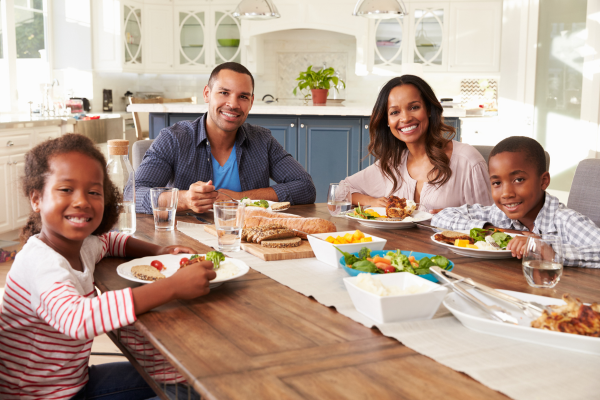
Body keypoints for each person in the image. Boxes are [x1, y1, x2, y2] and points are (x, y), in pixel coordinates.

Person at [0, 134, 215, 399]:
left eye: (94, 192)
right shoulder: (41, 262)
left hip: (75, 384)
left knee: (181, 378)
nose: (82, 201)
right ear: (36, 199)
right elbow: (78, 319)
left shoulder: (81, 245)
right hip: (45, 396)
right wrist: (172, 287)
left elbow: (112, 241)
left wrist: (160, 250)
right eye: (66, 189)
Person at [134, 62, 316, 214]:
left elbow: (305, 187)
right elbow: (133, 194)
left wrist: (239, 198)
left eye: (243, 96)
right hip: (187, 243)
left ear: (251, 102)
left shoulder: (262, 140)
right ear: (207, 94)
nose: (233, 104)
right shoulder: (173, 139)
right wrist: (184, 199)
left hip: (248, 240)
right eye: (224, 93)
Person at [431, 136, 600, 267]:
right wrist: (493, 230)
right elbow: (442, 217)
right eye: (497, 183)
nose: (506, 193)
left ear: (543, 181)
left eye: (518, 180)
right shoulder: (498, 215)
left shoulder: (565, 220)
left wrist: (548, 249)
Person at [338, 75, 493, 212]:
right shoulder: (392, 164)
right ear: (387, 121)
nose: (405, 118)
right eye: (394, 112)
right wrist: (372, 201)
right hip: (397, 245)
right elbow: (340, 192)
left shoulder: (467, 160)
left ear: (429, 110)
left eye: (414, 107)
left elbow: (492, 222)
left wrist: (452, 217)